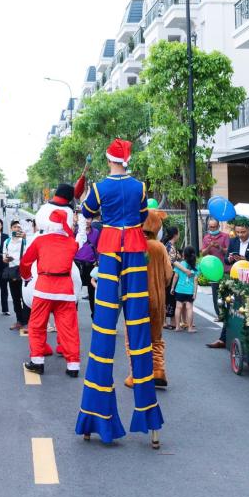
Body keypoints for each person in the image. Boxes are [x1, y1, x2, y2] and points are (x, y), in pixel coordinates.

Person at [76, 138, 162, 443]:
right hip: (135, 251)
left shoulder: (99, 188)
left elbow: (87, 212)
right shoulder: (140, 187)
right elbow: (140, 216)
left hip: (111, 249)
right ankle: (150, 420)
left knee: (103, 329)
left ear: (108, 158)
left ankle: (96, 416)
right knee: (138, 329)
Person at [20, 206, 81, 377]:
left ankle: (37, 362)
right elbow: (77, 242)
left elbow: (25, 262)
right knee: (68, 328)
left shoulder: (40, 241)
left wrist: (27, 277)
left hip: (44, 289)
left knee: (37, 326)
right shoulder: (72, 243)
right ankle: (73, 365)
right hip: (65, 290)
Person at [127, 207, 172, 390]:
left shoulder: (132, 244)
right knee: (156, 337)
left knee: (135, 337)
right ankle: (158, 371)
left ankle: (137, 375)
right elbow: (168, 275)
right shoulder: (160, 247)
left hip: (136, 299)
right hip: (157, 300)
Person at [207, 222, 249, 349]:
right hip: (235, 280)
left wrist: (245, 260)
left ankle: (248, 342)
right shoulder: (234, 241)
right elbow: (226, 259)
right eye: (238, 232)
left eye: (243, 232)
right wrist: (230, 259)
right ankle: (223, 338)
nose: (240, 235)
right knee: (230, 308)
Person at [3, 219, 32, 331]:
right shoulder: (7, 241)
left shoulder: (24, 241)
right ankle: (19, 320)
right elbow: (4, 256)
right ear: (11, 229)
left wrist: (26, 238)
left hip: (23, 272)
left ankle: (26, 321)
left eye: (19, 227)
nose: (17, 229)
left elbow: (30, 253)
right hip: (11, 272)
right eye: (14, 227)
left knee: (24, 298)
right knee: (15, 298)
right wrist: (6, 259)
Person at [74, 219, 101, 316]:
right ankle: (72, 317)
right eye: (84, 218)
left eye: (89, 218)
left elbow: (99, 248)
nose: (86, 221)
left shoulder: (96, 232)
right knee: (75, 292)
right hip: (77, 265)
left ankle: (95, 317)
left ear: (92, 219)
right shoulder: (75, 231)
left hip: (91, 266)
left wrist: (98, 262)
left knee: (92, 293)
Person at [172, 246, 198, 332]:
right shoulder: (195, 266)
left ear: (184, 255)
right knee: (189, 308)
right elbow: (195, 280)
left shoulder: (180, 264)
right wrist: (195, 293)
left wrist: (172, 288)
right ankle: (190, 328)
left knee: (178, 307)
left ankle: (177, 327)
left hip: (179, 289)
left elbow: (176, 276)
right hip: (189, 291)